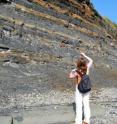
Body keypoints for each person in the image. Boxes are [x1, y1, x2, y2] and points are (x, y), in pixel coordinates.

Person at [69, 52, 93, 124]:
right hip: (87, 88)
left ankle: (78, 122)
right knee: (86, 104)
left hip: (79, 89)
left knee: (79, 106)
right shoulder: (87, 67)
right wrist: (84, 55)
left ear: (78, 64)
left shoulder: (76, 71)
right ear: (85, 63)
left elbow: (70, 76)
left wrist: (73, 70)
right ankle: (87, 120)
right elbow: (91, 60)